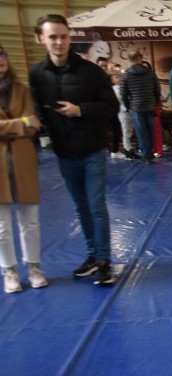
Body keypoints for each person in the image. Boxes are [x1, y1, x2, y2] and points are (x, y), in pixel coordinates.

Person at [28, 14, 119, 286]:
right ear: (41, 38)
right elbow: (35, 111)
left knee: (96, 205)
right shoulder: (37, 74)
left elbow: (110, 108)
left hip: (93, 149)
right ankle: (92, 255)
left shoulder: (91, 72)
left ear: (70, 37)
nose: (59, 42)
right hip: (64, 152)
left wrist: (79, 110)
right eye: (53, 36)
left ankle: (104, 261)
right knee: (81, 208)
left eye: (64, 36)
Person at [0, 44, 48, 293]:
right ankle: (9, 271)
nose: (0, 60)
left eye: (1, 54)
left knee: (30, 221)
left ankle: (34, 267)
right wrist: (21, 123)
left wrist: (12, 126)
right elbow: (26, 123)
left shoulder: (23, 91)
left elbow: (34, 126)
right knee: (2, 226)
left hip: (23, 162)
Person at [121, 50, 160, 165]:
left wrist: (128, 106)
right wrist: (156, 103)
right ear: (140, 58)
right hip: (150, 106)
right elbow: (157, 89)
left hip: (136, 108)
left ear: (129, 60)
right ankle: (150, 153)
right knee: (150, 130)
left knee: (141, 132)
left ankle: (146, 156)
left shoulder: (126, 75)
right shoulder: (150, 73)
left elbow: (123, 94)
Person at [111, 66, 136, 160]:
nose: (120, 78)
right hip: (122, 111)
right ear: (112, 79)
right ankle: (127, 150)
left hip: (129, 110)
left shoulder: (124, 87)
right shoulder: (114, 89)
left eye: (120, 76)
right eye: (117, 77)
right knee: (126, 131)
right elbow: (120, 100)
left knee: (129, 130)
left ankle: (129, 148)